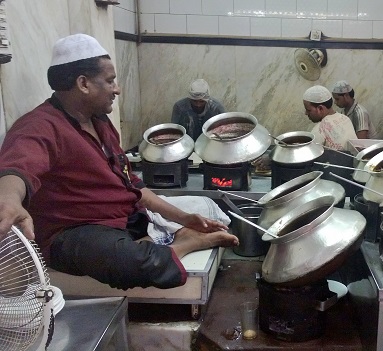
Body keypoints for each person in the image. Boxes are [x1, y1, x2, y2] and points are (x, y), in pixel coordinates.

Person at [0, 34, 238, 290]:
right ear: (83, 83)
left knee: (204, 204)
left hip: (123, 218)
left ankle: (178, 232)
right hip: (75, 234)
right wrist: (9, 199)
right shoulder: (39, 126)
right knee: (130, 262)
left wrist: (185, 218)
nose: (117, 89)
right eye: (110, 81)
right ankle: (188, 242)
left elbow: (132, 185)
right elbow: (18, 166)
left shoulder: (99, 122)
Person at [303, 85, 357, 151]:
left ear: (320, 108)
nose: (306, 113)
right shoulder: (345, 118)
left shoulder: (319, 130)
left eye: (308, 110)